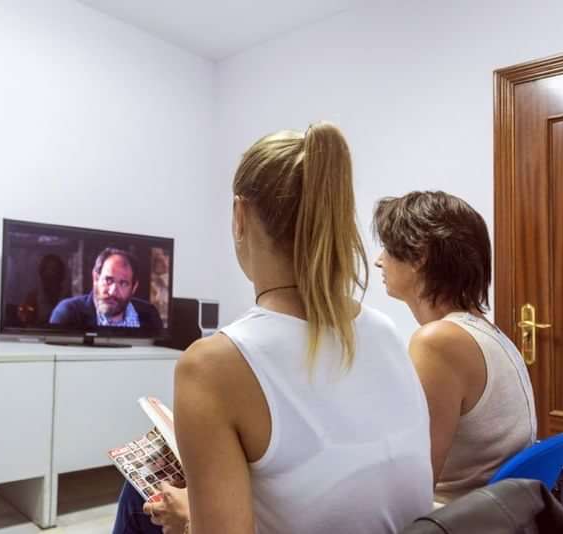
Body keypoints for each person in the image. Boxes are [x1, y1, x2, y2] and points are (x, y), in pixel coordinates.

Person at [112, 122, 433, 534]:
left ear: (239, 215)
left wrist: (190, 518)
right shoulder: (385, 330)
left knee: (139, 499)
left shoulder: (212, 363)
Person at [372, 191, 537, 504]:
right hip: (495, 513)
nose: (379, 260)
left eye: (388, 249)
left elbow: (416, 482)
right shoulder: (485, 331)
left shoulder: (437, 342)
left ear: (419, 256)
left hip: (453, 517)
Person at [50, 247, 162, 331]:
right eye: (108, 280)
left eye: (123, 283)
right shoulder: (67, 313)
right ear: (96, 278)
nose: (113, 291)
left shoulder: (150, 315)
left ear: (134, 288)